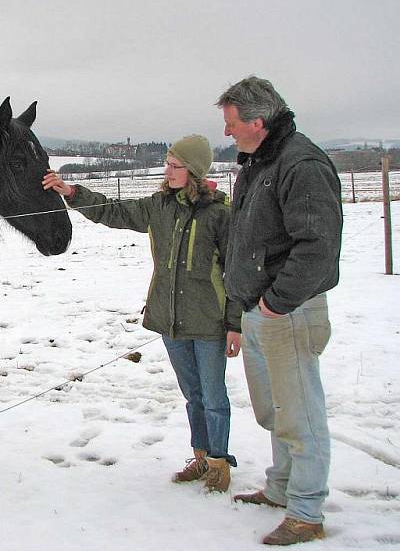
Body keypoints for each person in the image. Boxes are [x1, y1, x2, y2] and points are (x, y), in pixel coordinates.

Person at [43, 134, 242, 493]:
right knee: (193, 395)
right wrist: (72, 193)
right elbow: (114, 211)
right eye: (167, 163)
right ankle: (200, 457)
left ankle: (218, 463)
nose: (168, 171)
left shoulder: (220, 213)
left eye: (176, 165)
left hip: (210, 322)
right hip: (170, 320)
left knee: (214, 397)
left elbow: (235, 273)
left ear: (194, 171)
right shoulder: (159, 206)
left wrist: (235, 325)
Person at [217, 76, 342, 545]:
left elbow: (318, 246)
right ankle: (281, 488)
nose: (227, 133)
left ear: (257, 120)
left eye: (230, 124)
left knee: (301, 413)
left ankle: (306, 513)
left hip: (288, 311)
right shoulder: (260, 162)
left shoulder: (301, 163)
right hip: (259, 309)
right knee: (274, 410)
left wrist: (276, 302)